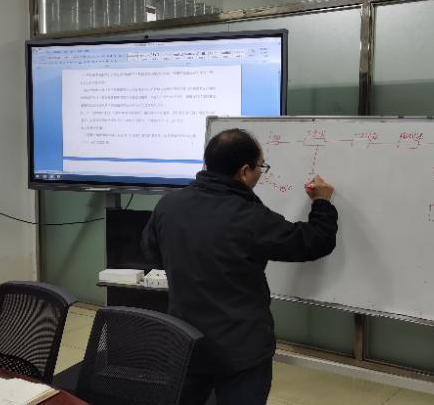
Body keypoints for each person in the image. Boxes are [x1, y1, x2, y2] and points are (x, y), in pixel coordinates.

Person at [141, 128, 338, 405]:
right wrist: (322, 202)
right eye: (261, 167)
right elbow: (315, 241)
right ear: (244, 171)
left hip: (185, 341)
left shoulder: (169, 204)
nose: (261, 173)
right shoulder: (250, 217)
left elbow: (152, 252)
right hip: (241, 350)